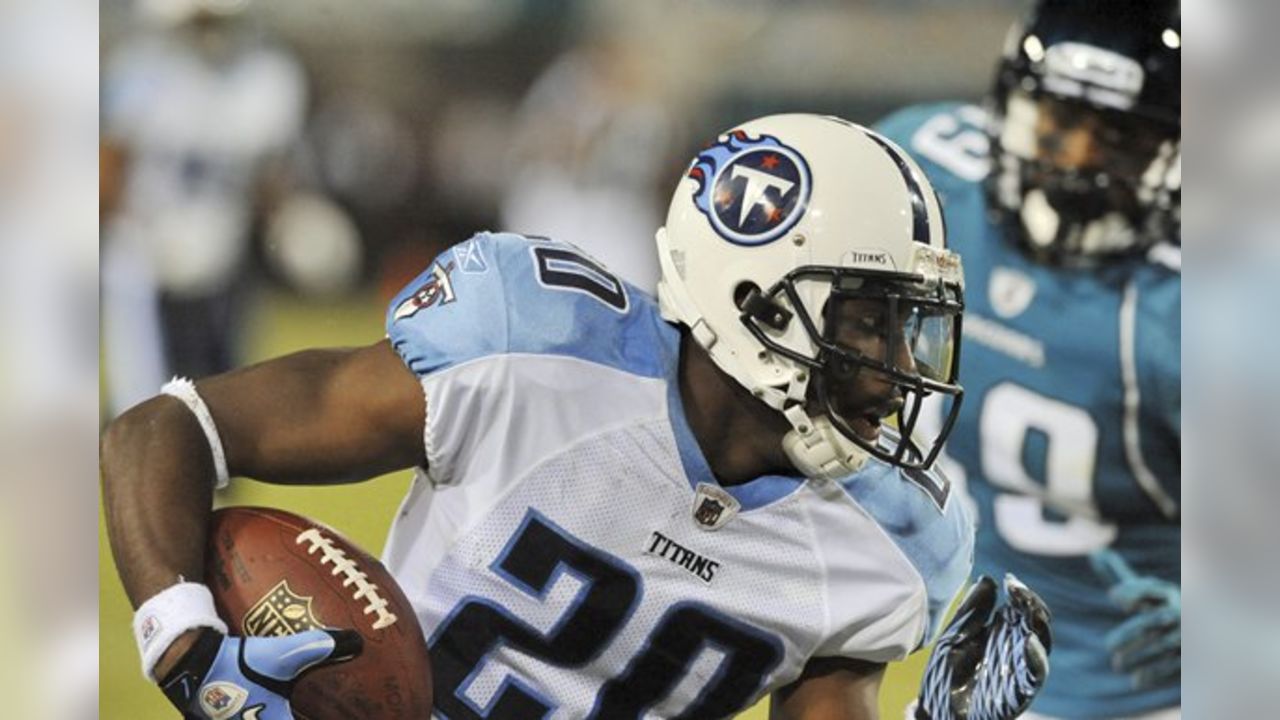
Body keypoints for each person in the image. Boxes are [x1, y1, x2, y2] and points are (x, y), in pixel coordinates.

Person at [103, 114, 1049, 719]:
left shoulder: (895, 535)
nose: (897, 370)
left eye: (911, 330)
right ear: (754, 299)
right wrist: (189, 646)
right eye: (868, 324)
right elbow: (168, 427)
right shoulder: (535, 349)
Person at [876, 1, 1181, 718]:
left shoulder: (1195, 313)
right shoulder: (925, 177)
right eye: (1059, 122)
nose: (1076, 162)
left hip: (1147, 693)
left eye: (1119, 139)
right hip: (947, 657)